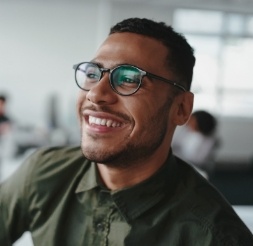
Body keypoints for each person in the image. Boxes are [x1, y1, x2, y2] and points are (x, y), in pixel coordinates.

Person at [0, 18, 252, 246]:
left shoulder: (214, 235)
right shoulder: (43, 173)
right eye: (92, 73)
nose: (95, 94)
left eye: (130, 79)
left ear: (181, 108)